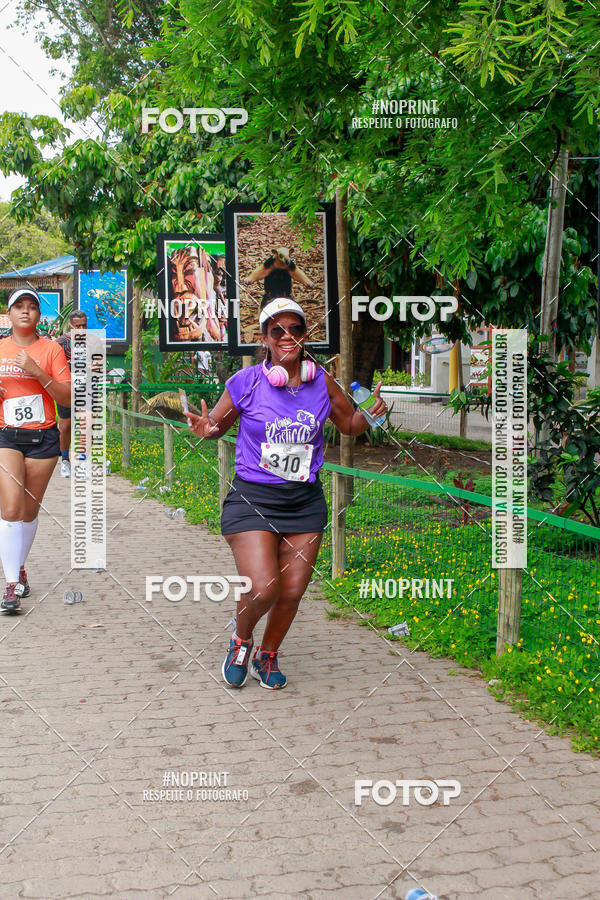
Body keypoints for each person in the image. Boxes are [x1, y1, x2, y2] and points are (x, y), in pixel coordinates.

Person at [184, 297, 387, 689]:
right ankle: (241, 639)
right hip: (253, 500)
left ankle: (268, 655)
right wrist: (205, 429)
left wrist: (371, 414)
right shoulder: (246, 382)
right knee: (263, 588)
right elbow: (216, 426)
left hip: (303, 503)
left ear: (304, 335)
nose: (287, 336)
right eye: (277, 330)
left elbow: (348, 424)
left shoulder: (321, 382)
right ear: (264, 338)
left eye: (296, 328)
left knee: (291, 590)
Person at [0, 288, 71, 611]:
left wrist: (36, 370)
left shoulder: (51, 349)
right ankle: (10, 586)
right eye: (19, 306)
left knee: (28, 512)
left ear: (39, 315)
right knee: (11, 508)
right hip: (7, 436)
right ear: (10, 314)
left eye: (32, 307)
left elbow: (66, 397)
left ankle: (19, 567)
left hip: (43, 438)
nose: (25, 311)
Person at [55, 310, 88, 477]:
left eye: (84, 325)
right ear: (70, 325)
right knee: (65, 426)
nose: (81, 329)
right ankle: (65, 460)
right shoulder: (61, 342)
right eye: (78, 326)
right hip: (66, 388)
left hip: (86, 387)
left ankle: (82, 462)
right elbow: (52, 364)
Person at [245, 247, 316, 305]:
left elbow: (296, 273)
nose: (286, 260)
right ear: (275, 254)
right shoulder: (270, 263)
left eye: (288, 256)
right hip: (270, 293)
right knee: (263, 305)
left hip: (285, 293)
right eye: (281, 256)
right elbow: (262, 271)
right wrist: (251, 278)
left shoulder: (289, 265)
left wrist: (307, 282)